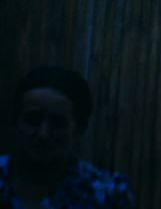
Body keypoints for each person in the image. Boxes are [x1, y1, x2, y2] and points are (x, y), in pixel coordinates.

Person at [0, 66, 135, 208]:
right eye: (33, 120)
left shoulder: (107, 194)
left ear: (79, 128)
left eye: (58, 123)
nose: (43, 133)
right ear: (16, 121)